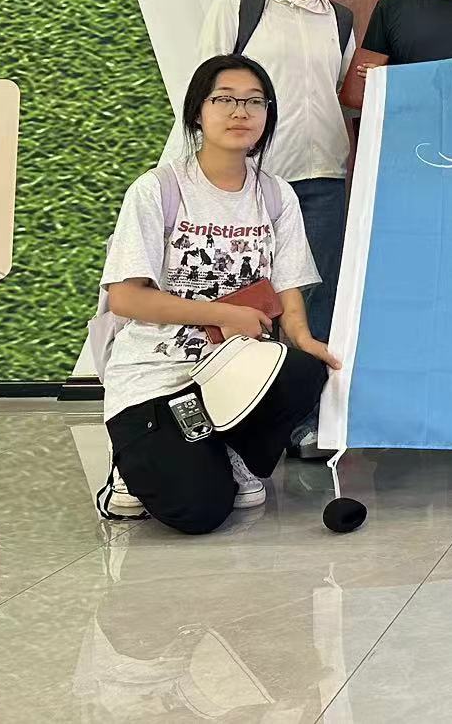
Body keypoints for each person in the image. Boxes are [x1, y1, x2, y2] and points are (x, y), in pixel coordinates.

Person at [96, 55, 341, 533]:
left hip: (234, 371)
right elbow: (126, 299)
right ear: (197, 112)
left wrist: (303, 339)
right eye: (224, 99)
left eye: (255, 102)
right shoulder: (157, 189)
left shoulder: (277, 195)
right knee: (201, 511)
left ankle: (232, 450)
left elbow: (289, 290)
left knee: (305, 369)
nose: (240, 112)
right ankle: (128, 469)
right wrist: (222, 313)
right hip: (157, 376)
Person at [194, 0, 351, 458]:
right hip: (253, 180)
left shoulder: (341, 19)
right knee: (249, 298)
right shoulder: (238, 7)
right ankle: (237, 417)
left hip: (323, 177)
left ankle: (308, 420)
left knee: (317, 298)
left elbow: (338, 93)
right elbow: (205, 91)